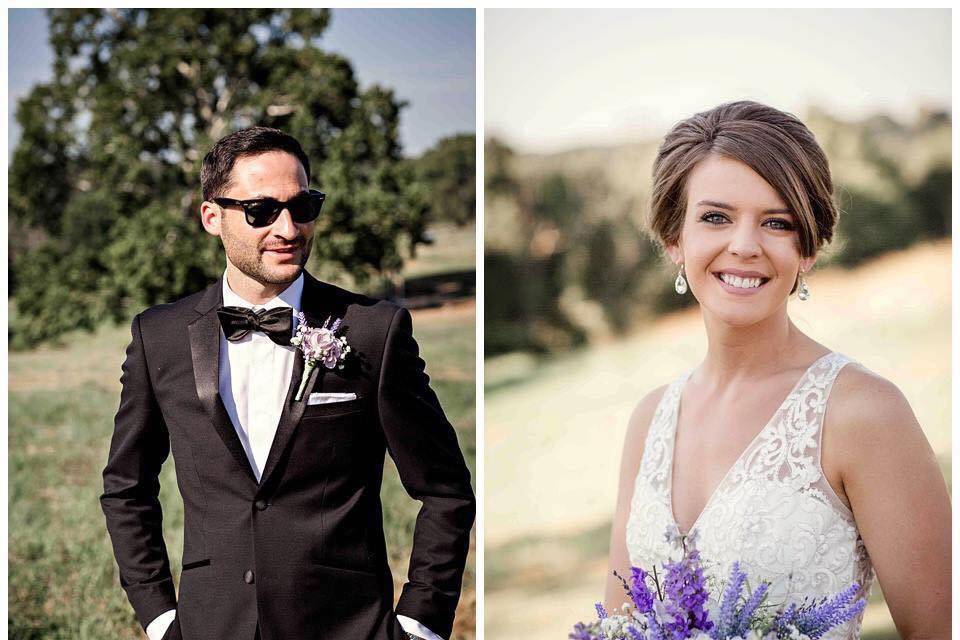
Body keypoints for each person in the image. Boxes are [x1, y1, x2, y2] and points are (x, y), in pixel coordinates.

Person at [100, 127, 475, 640]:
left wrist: (420, 623)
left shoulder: (373, 331)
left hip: (348, 626)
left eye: (303, 206)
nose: (289, 227)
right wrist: (160, 617)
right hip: (211, 626)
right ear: (213, 217)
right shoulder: (158, 336)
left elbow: (446, 490)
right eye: (261, 211)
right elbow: (126, 489)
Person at [604, 102, 950, 638]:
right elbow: (617, 622)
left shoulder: (863, 414)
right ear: (675, 239)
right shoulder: (648, 420)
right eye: (716, 217)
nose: (744, 245)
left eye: (777, 222)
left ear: (807, 249)